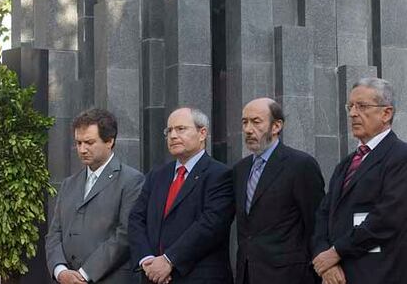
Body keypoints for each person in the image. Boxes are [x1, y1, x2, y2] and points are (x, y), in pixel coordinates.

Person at [312, 77, 407, 284]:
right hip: (337, 276)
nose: (353, 113)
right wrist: (326, 260)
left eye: (362, 106)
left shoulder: (401, 156)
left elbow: (386, 218)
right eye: (350, 106)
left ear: (386, 113)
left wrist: (337, 252)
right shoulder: (345, 164)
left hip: (379, 274)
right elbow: (323, 214)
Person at [128, 107, 234, 284]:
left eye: (180, 129)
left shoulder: (220, 174)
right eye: (169, 131)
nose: (173, 136)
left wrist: (169, 260)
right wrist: (146, 260)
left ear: (202, 133)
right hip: (153, 276)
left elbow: (211, 225)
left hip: (198, 277)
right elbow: (136, 218)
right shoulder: (157, 175)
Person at [45, 108, 144, 284]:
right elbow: (54, 233)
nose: (82, 149)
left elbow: (124, 235)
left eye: (89, 142)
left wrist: (84, 274)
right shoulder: (69, 184)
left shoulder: (131, 181)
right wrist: (60, 271)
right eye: (78, 143)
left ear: (110, 141)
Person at [234, 97, 325, 284]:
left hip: (289, 275)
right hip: (247, 275)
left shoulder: (300, 165)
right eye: (245, 122)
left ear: (276, 126)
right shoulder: (240, 170)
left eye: (256, 122)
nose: (248, 129)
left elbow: (316, 223)